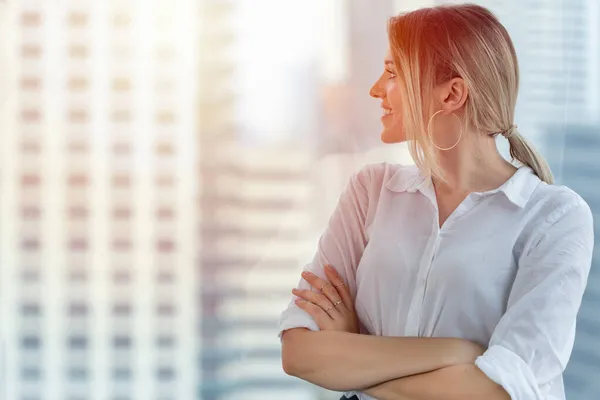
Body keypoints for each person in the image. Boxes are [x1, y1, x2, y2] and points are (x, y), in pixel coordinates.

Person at [277, 3, 594, 400]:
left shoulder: (554, 217)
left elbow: (497, 392)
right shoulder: (371, 190)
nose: (376, 88)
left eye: (393, 73)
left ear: (452, 94)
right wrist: (455, 353)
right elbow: (299, 353)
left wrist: (353, 355)